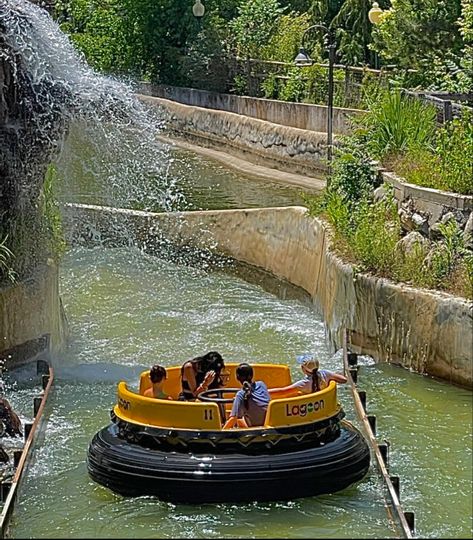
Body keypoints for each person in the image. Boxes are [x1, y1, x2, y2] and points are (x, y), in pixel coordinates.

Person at [269, 354, 347, 398]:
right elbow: (344, 380)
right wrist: (330, 380)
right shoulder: (326, 374)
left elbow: (282, 391)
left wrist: (264, 392)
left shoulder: (303, 384)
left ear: (303, 368)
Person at [223, 363, 270, 429]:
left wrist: (221, 431)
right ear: (252, 375)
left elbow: (233, 418)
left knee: (238, 419)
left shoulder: (240, 395)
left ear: (237, 377)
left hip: (254, 431)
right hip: (268, 424)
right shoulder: (262, 385)